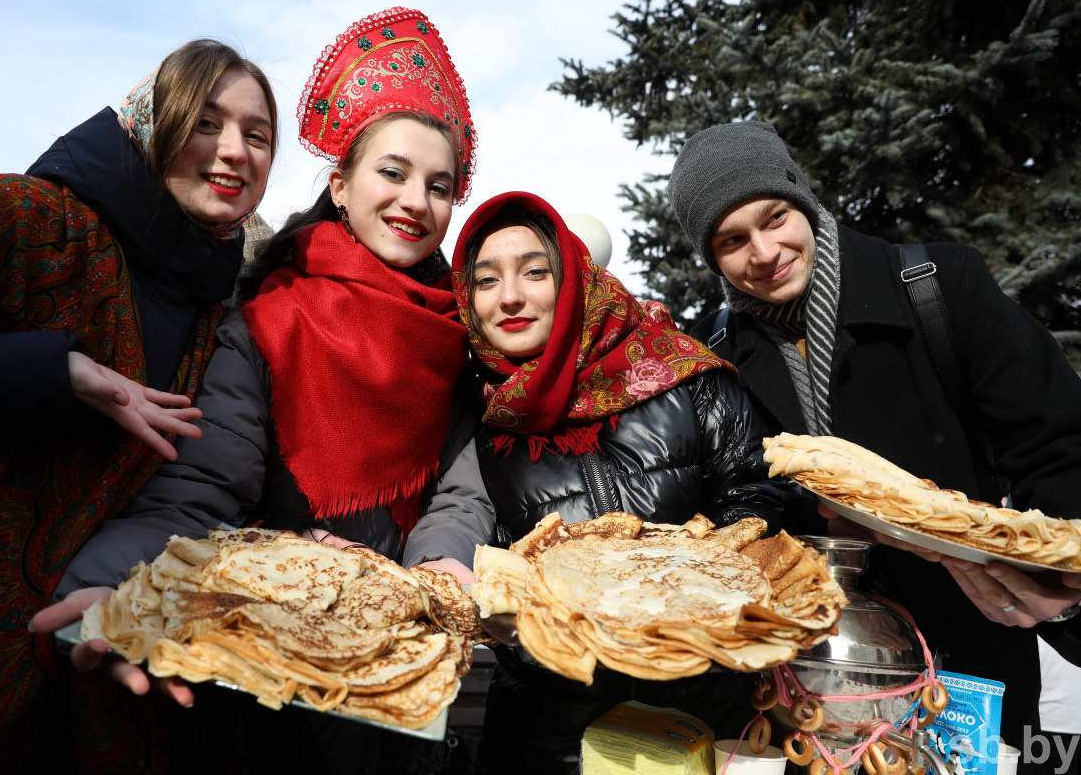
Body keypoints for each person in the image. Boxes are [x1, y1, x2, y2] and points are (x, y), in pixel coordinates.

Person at [33, 7, 484, 774]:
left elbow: (462, 488)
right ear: (339, 185)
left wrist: (440, 565)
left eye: (440, 187)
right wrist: (108, 587)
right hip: (283, 661)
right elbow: (199, 492)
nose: (417, 201)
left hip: (415, 649)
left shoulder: (459, 335)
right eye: (394, 173)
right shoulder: (269, 319)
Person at [0, 39, 277, 773]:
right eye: (206, 122)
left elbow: (185, 499)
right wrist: (52, 374)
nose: (234, 152)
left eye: (257, 135)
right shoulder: (21, 218)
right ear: (152, 123)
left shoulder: (213, 314)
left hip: (88, 679)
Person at [671, 121, 1081, 774]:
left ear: (800, 199)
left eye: (775, 217)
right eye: (731, 240)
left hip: (968, 647)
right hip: (816, 675)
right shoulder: (721, 358)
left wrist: (1062, 580)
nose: (764, 250)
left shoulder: (937, 286)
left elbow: (1056, 439)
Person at [400, 191, 801, 774]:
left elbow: (758, 488)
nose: (509, 296)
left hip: (705, 707)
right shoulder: (483, 411)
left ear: (571, 278)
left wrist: (679, 576)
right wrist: (440, 563)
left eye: (535, 272)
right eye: (485, 281)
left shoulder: (678, 372)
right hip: (550, 727)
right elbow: (458, 509)